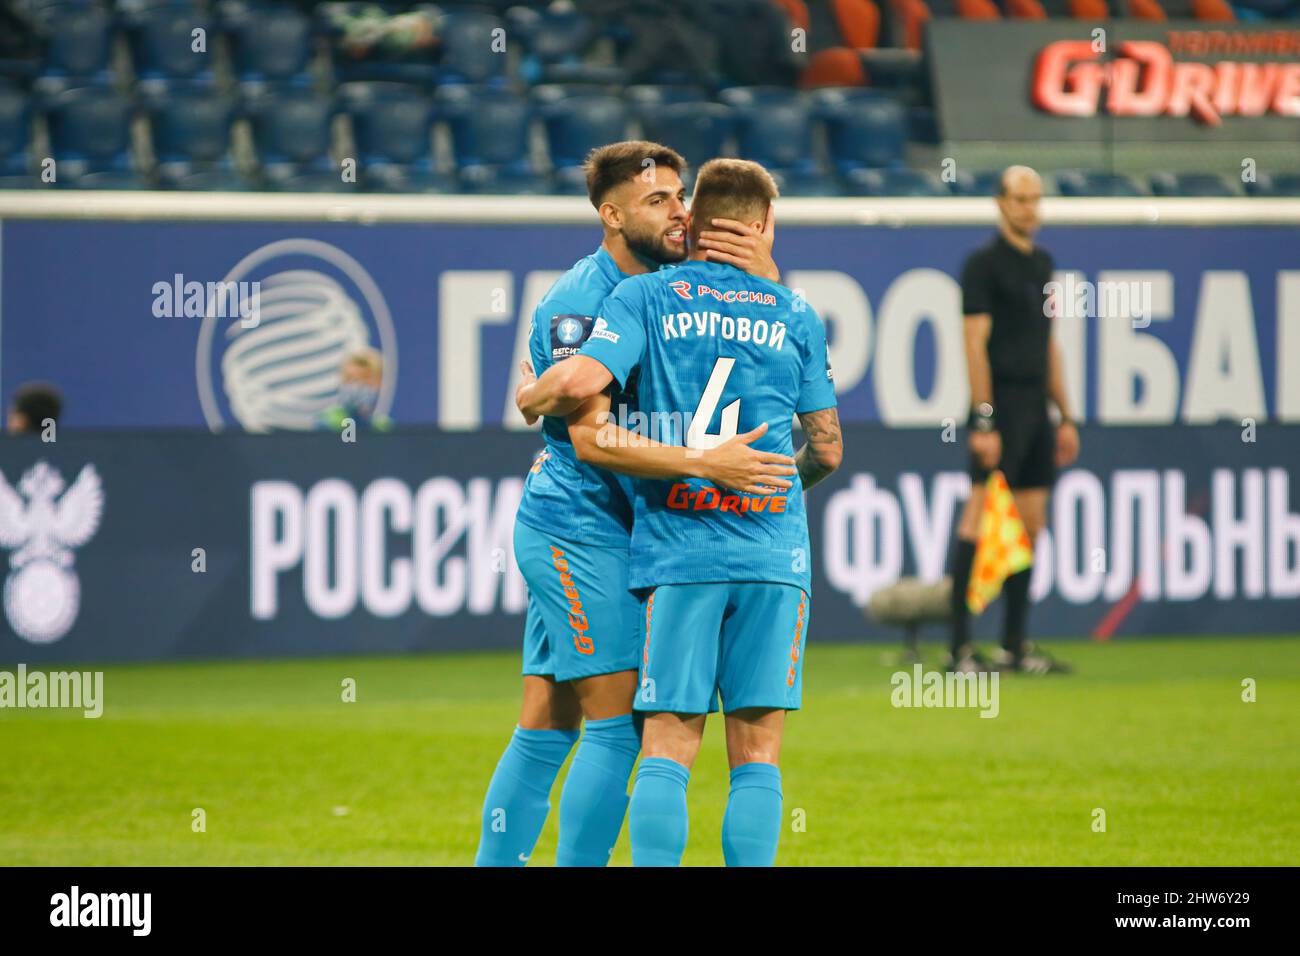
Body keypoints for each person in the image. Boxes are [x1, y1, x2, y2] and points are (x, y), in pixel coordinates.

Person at [518, 158, 843, 866]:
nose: (674, 213)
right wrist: (734, 473)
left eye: (680, 197)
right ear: (611, 215)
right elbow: (588, 433)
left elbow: (587, 389)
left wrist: (534, 391)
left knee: (568, 720)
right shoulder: (589, 296)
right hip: (587, 524)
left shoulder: (650, 298)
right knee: (634, 732)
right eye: (658, 199)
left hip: (667, 537)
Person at [946, 165, 1079, 675]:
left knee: (1029, 526)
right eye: (1020, 199)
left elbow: (1049, 346)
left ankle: (1014, 646)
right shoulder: (982, 266)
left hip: (1035, 409)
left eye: (1035, 200)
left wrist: (1065, 415)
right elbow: (974, 344)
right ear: (1000, 203)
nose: (1029, 208)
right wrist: (984, 420)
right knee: (979, 520)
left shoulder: (1043, 263)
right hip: (999, 406)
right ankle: (959, 649)